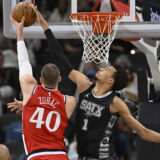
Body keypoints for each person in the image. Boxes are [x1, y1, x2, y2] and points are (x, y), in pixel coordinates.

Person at [8, 5, 160, 160]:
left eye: (107, 70)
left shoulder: (116, 102)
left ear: (110, 80)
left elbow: (143, 132)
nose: (102, 68)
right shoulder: (84, 84)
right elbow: (60, 58)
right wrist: (44, 24)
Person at [9, 15, 76, 160]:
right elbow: (50, 109)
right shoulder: (69, 101)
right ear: (59, 79)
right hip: (60, 155)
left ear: (40, 80)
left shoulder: (30, 90)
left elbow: (24, 63)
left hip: (37, 155)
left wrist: (19, 34)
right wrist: (29, 106)